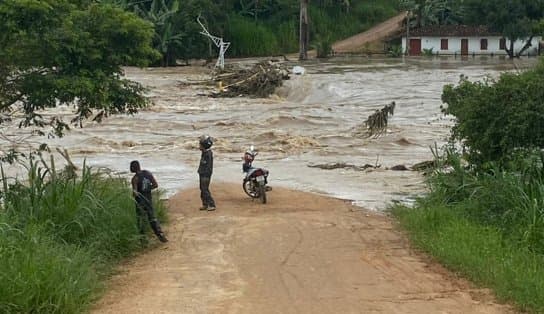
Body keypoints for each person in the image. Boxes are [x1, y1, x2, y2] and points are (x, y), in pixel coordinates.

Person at [130, 160, 168, 243]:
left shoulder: (135, 179)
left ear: (133, 168)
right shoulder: (148, 173)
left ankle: (143, 240)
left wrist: (135, 193)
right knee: (152, 218)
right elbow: (155, 185)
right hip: (148, 200)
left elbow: (135, 193)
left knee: (141, 220)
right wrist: (147, 189)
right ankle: (160, 235)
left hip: (140, 202)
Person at [198, 135, 216, 211]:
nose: (199, 146)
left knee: (205, 189)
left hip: (205, 174)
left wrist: (204, 173)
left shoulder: (208, 154)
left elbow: (207, 166)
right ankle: (205, 204)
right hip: (202, 173)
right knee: (202, 189)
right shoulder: (205, 152)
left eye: (200, 145)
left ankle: (211, 204)